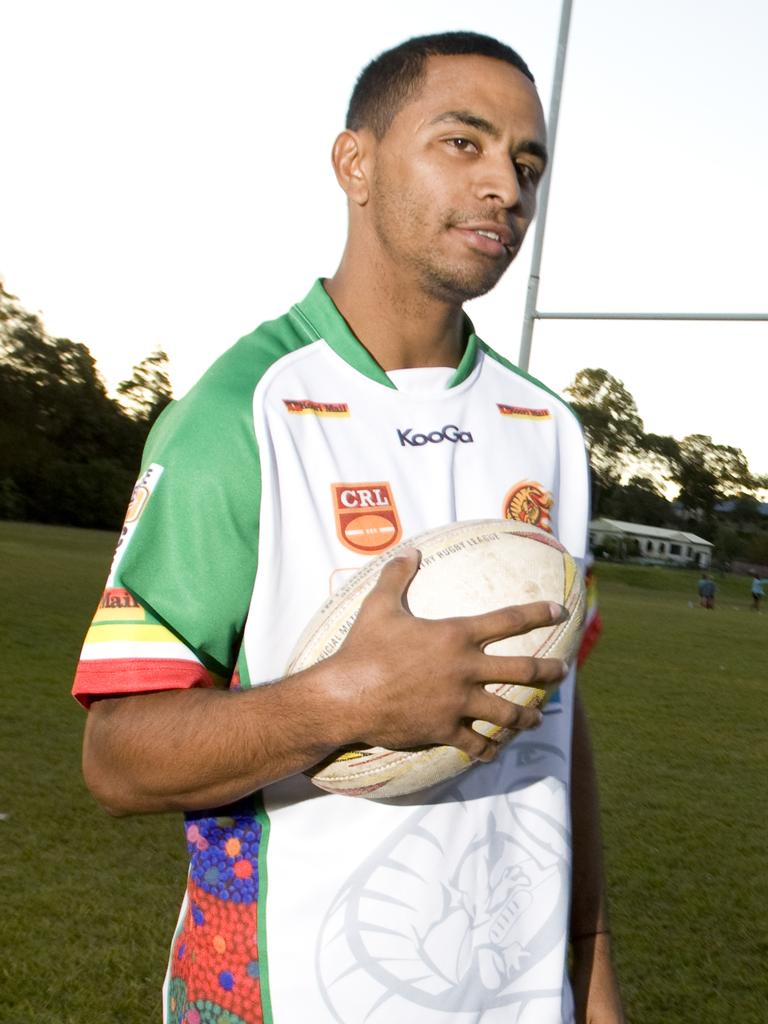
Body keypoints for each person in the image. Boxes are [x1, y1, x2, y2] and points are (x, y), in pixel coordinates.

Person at [73, 31, 624, 1024]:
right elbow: (116, 756)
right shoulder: (242, 413)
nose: (506, 183)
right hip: (289, 995)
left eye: (527, 162)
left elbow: (561, 720)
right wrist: (348, 698)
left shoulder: (550, 429)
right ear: (354, 163)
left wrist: (591, 971)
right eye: (464, 142)